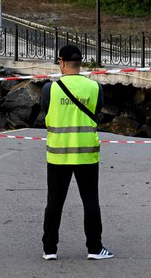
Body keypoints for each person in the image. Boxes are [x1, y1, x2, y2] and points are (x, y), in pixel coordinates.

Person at [40, 45, 114, 261]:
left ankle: (49, 249)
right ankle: (94, 248)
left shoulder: (49, 89)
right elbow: (97, 110)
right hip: (86, 154)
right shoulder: (94, 87)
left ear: (61, 63)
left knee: (54, 202)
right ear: (80, 63)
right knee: (90, 201)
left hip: (58, 154)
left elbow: (46, 110)